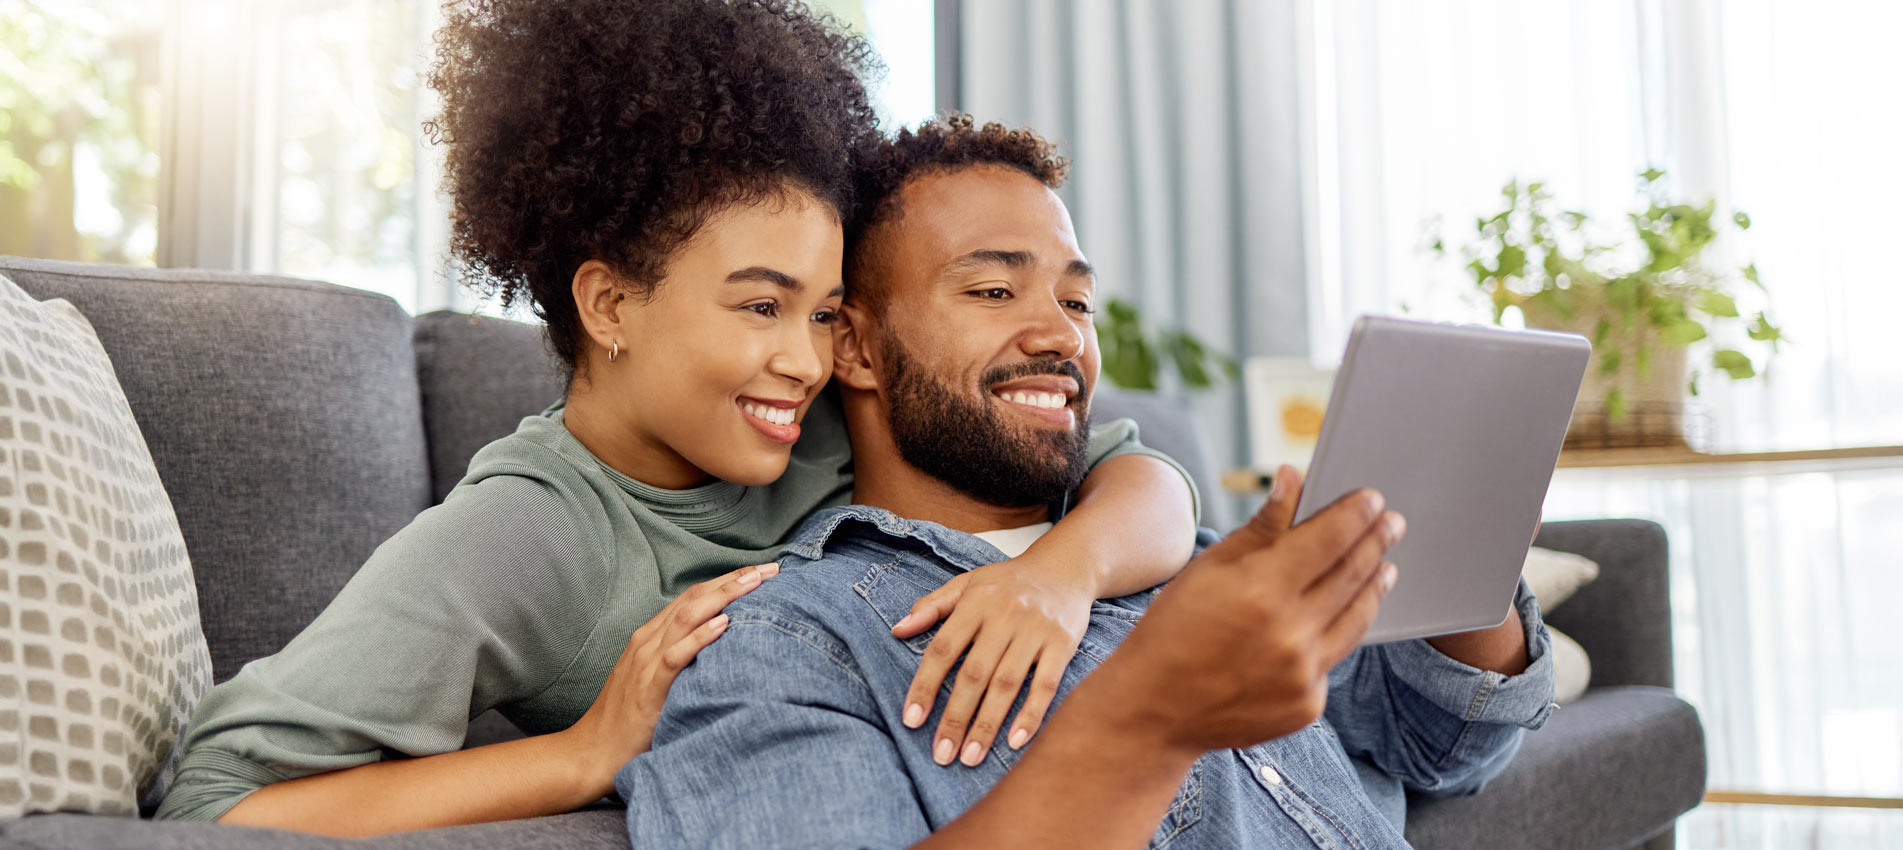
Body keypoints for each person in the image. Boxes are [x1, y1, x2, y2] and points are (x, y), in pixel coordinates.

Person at [155, 4, 1198, 835]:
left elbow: (1135, 475)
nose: (807, 356)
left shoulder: (831, 403)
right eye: (759, 306)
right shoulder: (529, 535)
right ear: (610, 305)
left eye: (826, 310)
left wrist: (1058, 577)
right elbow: (217, 802)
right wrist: (584, 751)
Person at [612, 116, 1558, 849]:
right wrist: (1147, 719)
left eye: (1076, 301)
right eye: (993, 291)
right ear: (854, 345)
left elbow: (1441, 745)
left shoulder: (1190, 568)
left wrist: (1454, 524)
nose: (1061, 335)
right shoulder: (793, 643)